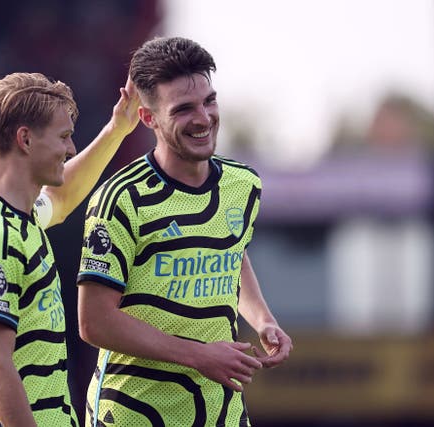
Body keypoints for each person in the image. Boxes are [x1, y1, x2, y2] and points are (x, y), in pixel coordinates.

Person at [77, 37, 293, 426]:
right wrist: (199, 354)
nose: (204, 118)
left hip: (220, 413)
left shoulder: (243, 185)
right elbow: (94, 321)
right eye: (183, 109)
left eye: (209, 101)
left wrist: (264, 320)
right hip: (134, 414)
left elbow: (230, 253)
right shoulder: (121, 200)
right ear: (149, 118)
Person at [0, 72, 139, 426]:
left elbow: (62, 199)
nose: (70, 149)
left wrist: (117, 128)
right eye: (64, 137)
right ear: (25, 139)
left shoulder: (22, 216)